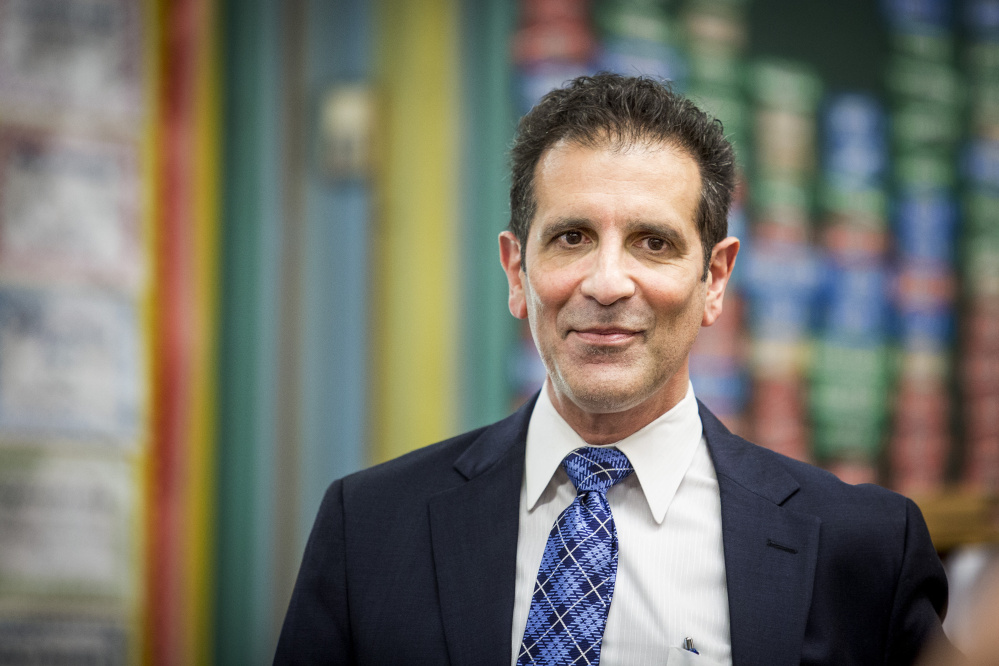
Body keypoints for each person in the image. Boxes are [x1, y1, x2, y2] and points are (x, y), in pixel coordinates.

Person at [274, 74, 950, 665]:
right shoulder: (368, 528)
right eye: (571, 238)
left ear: (713, 279)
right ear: (517, 271)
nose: (605, 283)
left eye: (652, 243)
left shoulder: (862, 550)